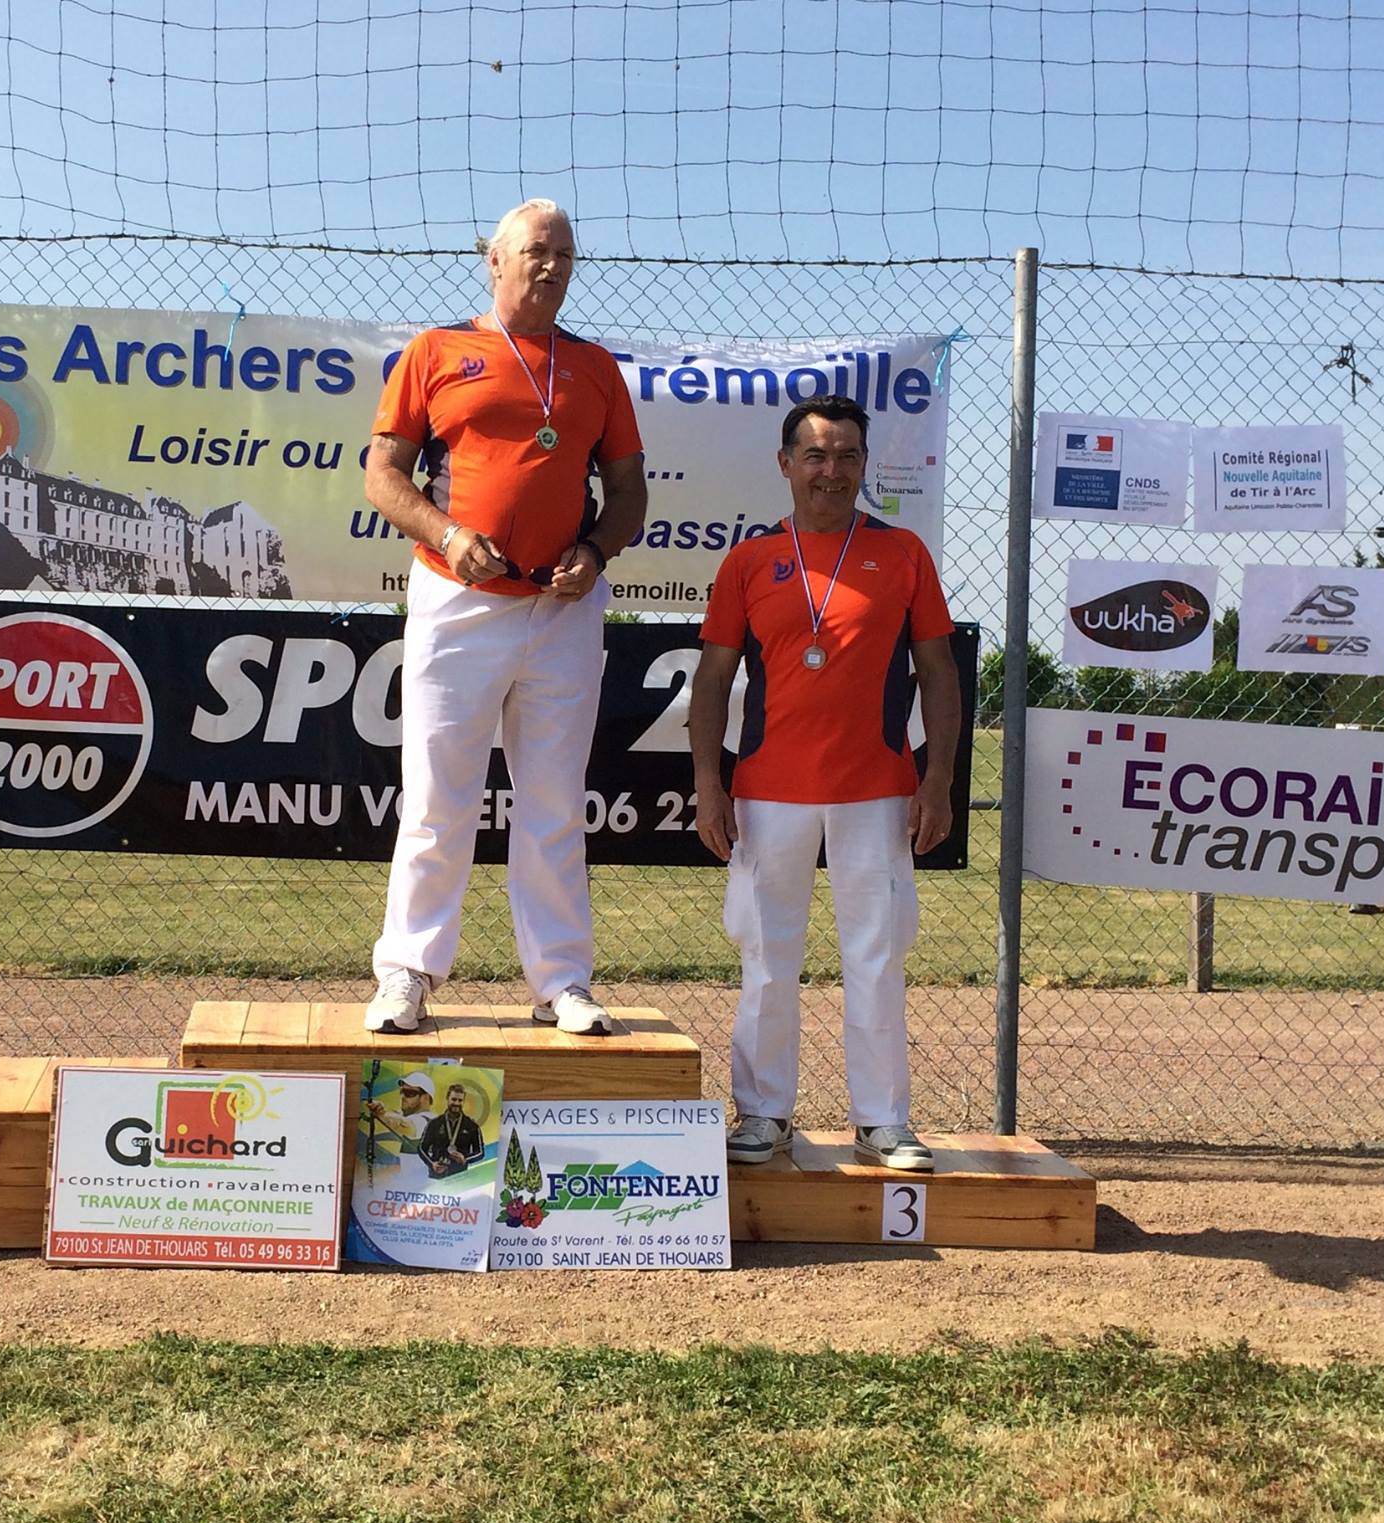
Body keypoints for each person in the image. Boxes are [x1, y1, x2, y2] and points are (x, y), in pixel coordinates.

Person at [360, 197, 649, 1036]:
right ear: (495, 260)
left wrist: (595, 551)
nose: (553, 266)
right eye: (536, 251)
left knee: (555, 803)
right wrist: (449, 534)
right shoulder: (435, 351)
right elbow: (383, 475)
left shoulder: (596, 368)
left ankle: (561, 982)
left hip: (562, 612)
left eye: (566, 254)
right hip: (457, 602)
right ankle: (407, 973)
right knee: (438, 796)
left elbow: (629, 492)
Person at [688, 395, 961, 1173]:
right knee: (767, 958)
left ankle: (882, 1122)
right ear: (786, 464)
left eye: (846, 456)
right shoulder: (749, 562)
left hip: (876, 790)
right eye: (815, 455)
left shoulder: (902, 553)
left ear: (864, 465)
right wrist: (709, 784)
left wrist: (938, 779)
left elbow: (939, 673)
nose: (830, 471)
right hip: (768, 792)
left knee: (876, 957)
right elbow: (713, 679)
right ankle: (762, 1113)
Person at [417, 1082, 485, 1178]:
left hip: (459, 1177)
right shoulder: (434, 1123)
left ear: (463, 1101)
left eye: (460, 1100)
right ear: (447, 1099)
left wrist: (465, 1159)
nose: (456, 1103)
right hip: (436, 1176)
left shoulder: (472, 1126)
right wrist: (432, 1163)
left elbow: (480, 1153)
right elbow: (421, 1148)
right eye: (453, 1099)